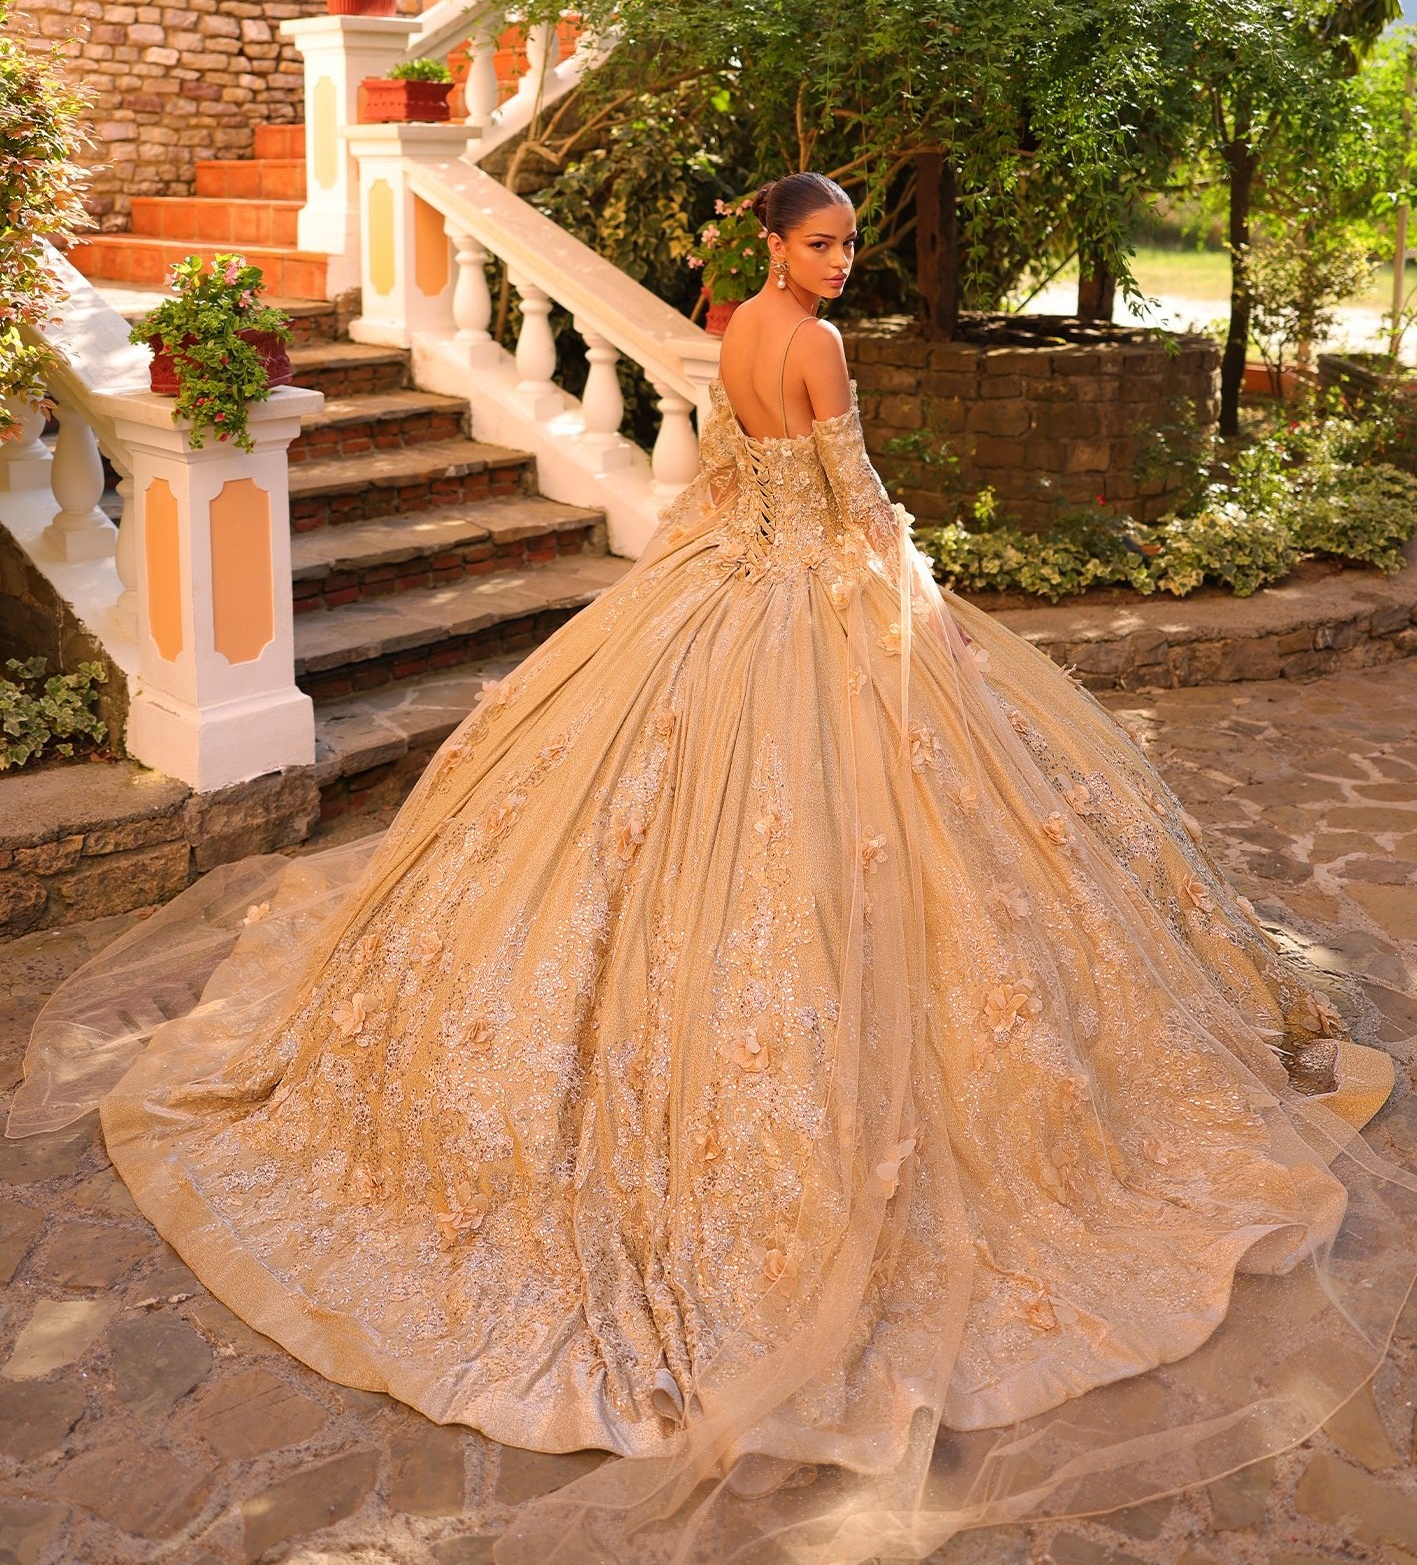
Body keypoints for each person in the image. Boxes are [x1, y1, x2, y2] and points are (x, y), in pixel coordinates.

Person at [10, 172, 1417, 1565]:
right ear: (774, 243)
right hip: (808, 605)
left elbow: (718, 486)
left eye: (851, 241)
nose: (843, 261)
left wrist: (691, 587)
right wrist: (924, 632)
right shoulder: (809, 341)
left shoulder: (737, 324)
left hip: (724, 590)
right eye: (822, 241)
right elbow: (861, 512)